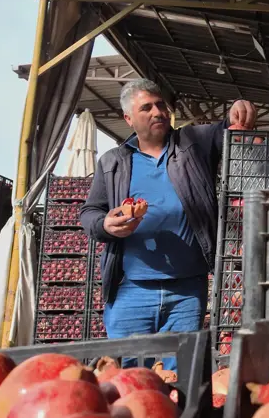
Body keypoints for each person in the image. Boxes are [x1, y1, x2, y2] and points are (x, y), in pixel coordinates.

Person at [80, 78, 256, 370]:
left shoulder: (193, 143)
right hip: (130, 291)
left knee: (182, 375)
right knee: (129, 377)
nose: (157, 112)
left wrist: (238, 109)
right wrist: (106, 225)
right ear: (128, 119)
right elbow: (90, 212)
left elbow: (225, 128)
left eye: (160, 104)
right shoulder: (113, 162)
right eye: (146, 108)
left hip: (187, 291)